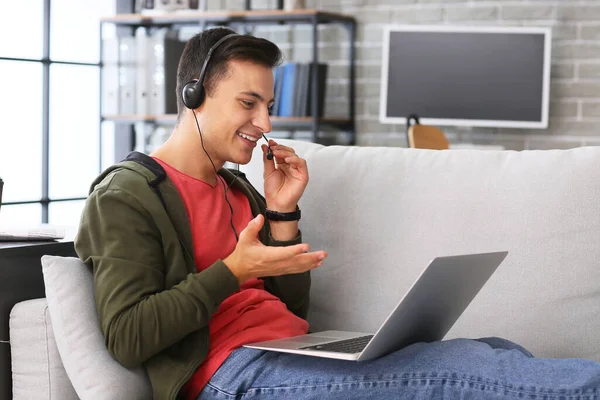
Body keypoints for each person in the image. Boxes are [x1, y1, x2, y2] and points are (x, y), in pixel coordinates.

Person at [75, 27, 600, 400]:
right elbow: (127, 336)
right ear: (195, 96)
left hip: (294, 353)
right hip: (231, 374)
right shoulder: (128, 195)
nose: (264, 121)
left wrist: (282, 213)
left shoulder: (238, 187)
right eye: (248, 103)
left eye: (268, 106)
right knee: (479, 378)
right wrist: (234, 270)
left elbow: (291, 309)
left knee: (488, 351)